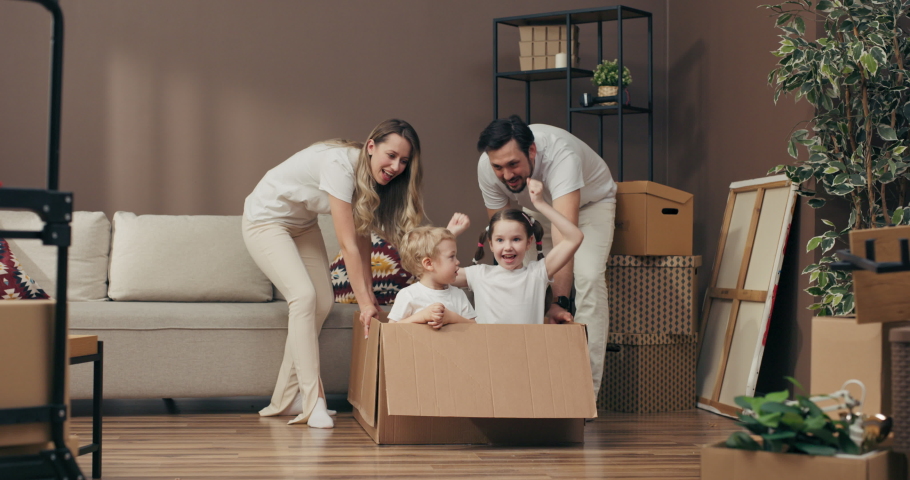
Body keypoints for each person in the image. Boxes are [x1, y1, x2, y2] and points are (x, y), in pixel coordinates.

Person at [242, 119, 424, 428]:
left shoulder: (368, 179)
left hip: (301, 225)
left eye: (404, 161)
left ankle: (288, 399)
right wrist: (365, 303)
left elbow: (363, 237)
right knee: (303, 297)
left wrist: (370, 299)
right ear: (371, 146)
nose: (395, 166)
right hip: (265, 220)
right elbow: (347, 244)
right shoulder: (340, 165)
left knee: (323, 302)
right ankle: (314, 401)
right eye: (391, 155)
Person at [475, 115, 616, 394]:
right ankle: (528, 386)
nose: (506, 175)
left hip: (589, 206)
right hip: (533, 208)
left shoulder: (561, 156)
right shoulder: (486, 166)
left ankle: (585, 394)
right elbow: (501, 228)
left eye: (513, 164)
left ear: (532, 151)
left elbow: (566, 235)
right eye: (498, 167)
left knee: (588, 278)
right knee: (524, 283)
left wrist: (559, 302)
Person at [453, 179, 583, 325]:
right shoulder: (478, 274)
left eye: (516, 239)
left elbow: (574, 237)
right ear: (491, 244)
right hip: (488, 348)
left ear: (528, 243)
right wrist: (449, 234)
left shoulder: (537, 274)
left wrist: (541, 204)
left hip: (527, 348)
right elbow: (430, 269)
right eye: (500, 240)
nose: (508, 247)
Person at [388, 215, 476, 328]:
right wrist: (421, 316)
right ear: (429, 264)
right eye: (451, 256)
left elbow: (475, 328)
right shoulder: (408, 295)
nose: (457, 262)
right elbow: (391, 330)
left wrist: (452, 318)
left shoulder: (458, 295)